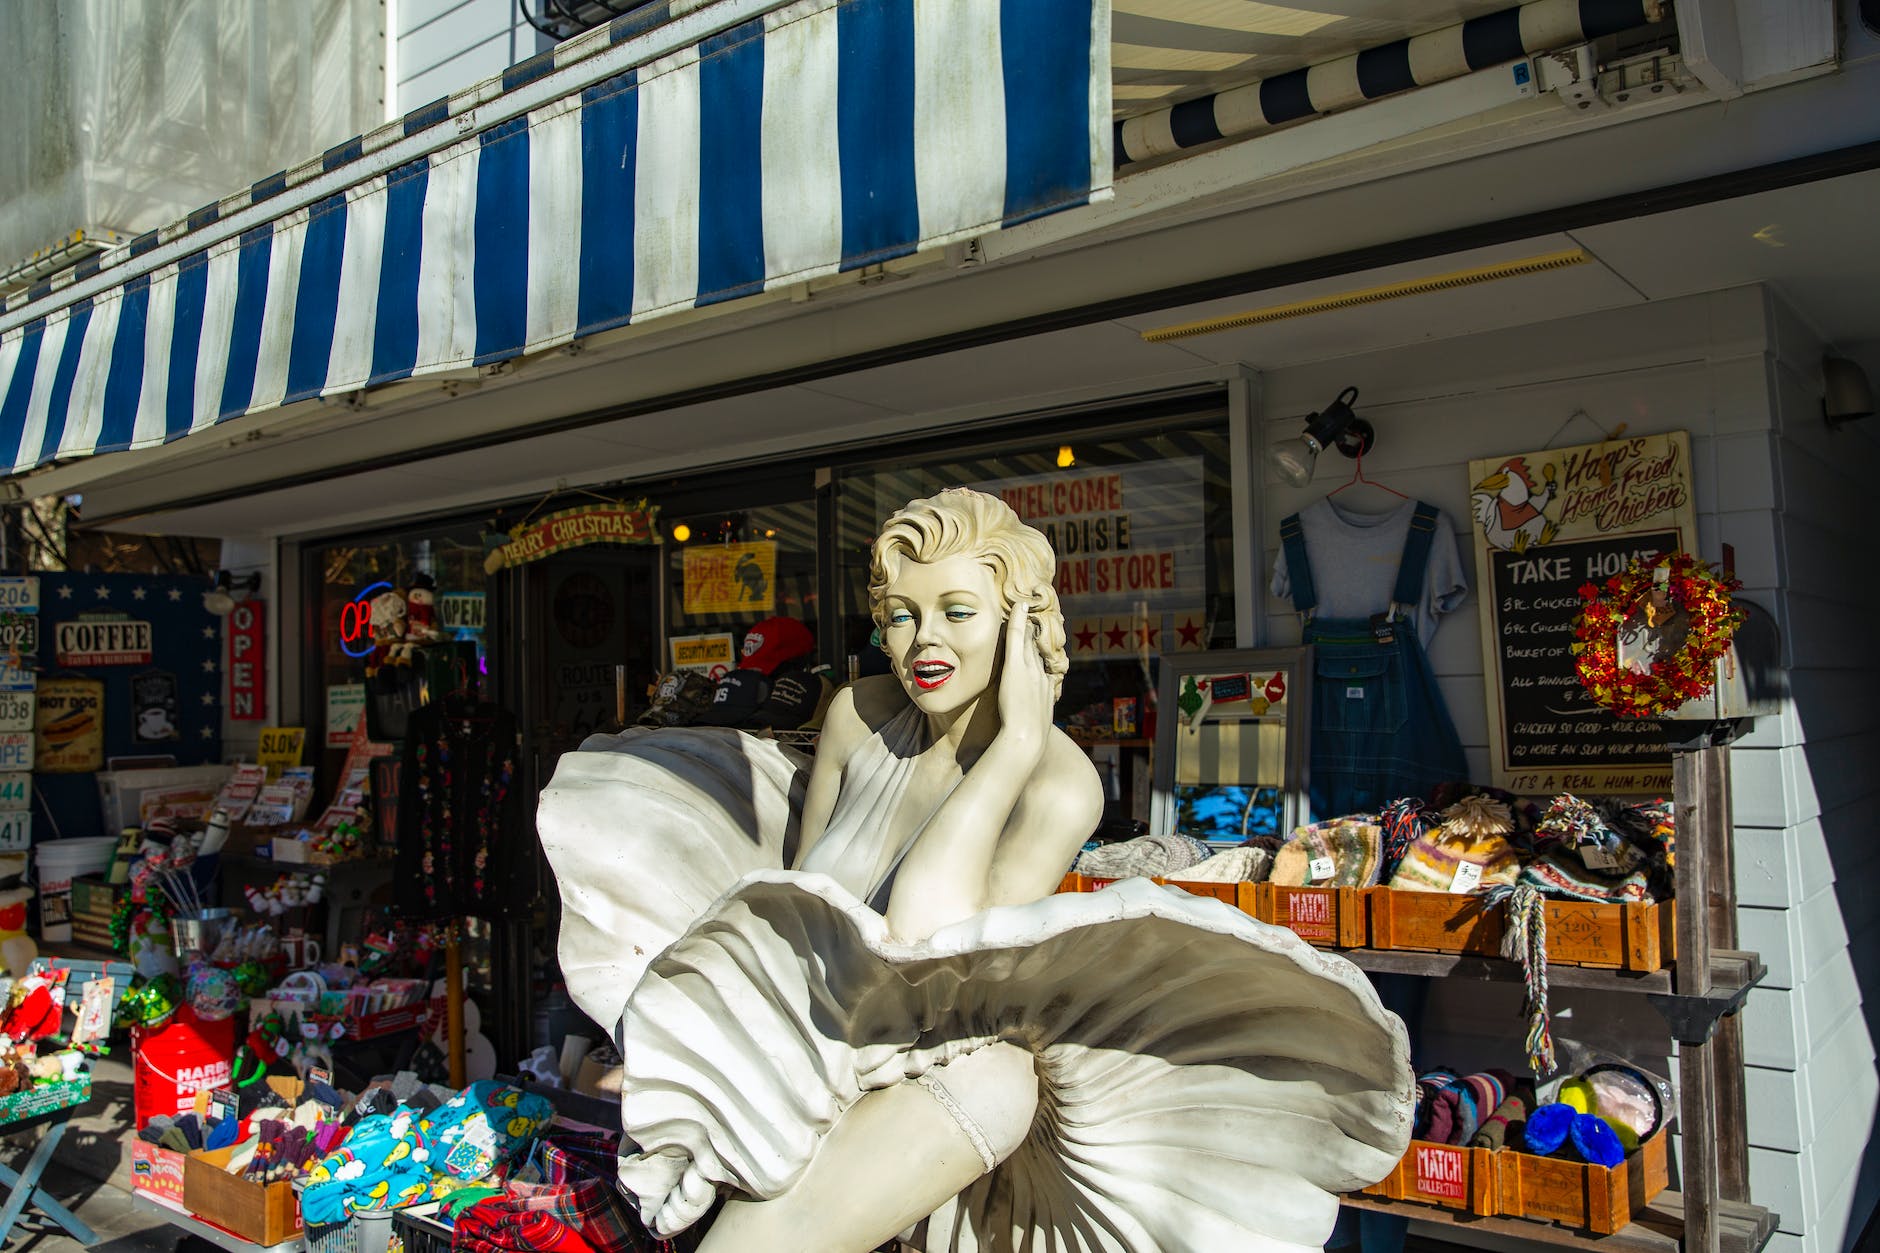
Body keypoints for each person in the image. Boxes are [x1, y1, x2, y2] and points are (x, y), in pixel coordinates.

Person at [540, 488, 1412, 1253]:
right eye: (902, 614)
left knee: (999, 1084)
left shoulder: (1056, 782)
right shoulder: (857, 716)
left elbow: (924, 942)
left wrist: (1017, 745)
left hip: (915, 1071)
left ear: (1019, 624)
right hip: (797, 1042)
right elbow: (797, 912)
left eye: (957, 611)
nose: (924, 640)